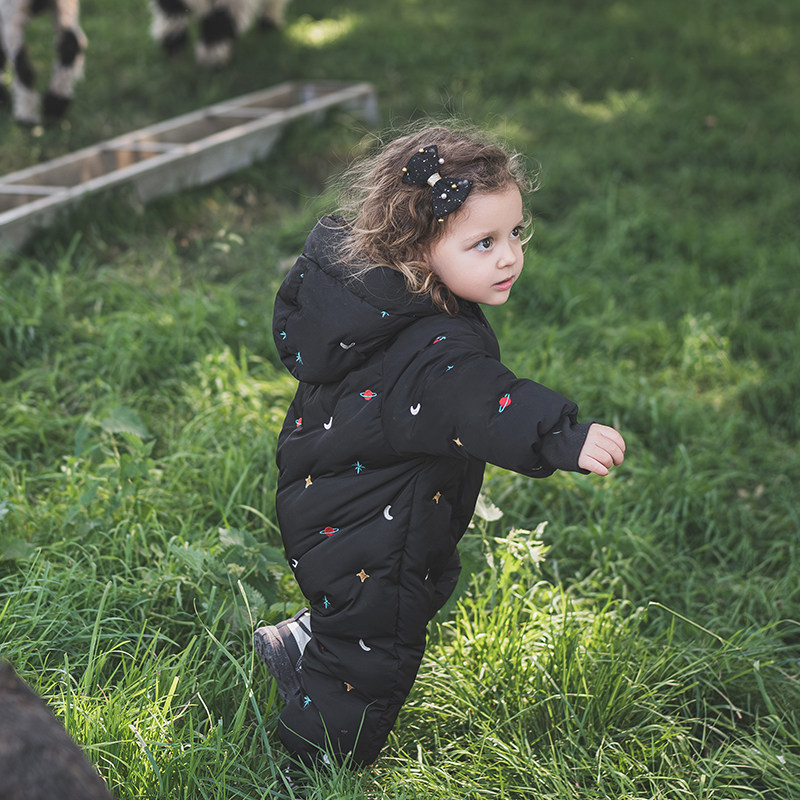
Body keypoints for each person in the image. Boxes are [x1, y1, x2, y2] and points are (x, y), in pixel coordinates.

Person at [254, 123, 626, 768]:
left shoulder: (376, 302)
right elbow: (481, 401)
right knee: (374, 652)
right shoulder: (433, 351)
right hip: (372, 524)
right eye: (483, 242)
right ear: (419, 248)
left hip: (346, 498)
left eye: (516, 234)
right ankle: (311, 764)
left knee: (407, 593)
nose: (509, 256)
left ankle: (308, 637)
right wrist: (562, 436)